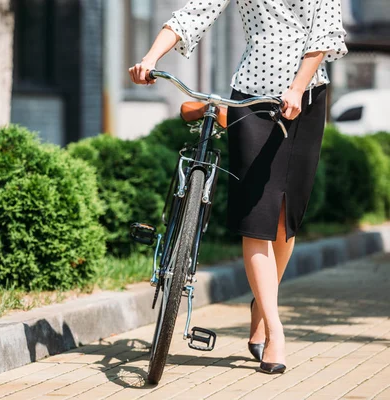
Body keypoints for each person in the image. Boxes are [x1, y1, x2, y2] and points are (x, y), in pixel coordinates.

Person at [129, 0, 347, 374]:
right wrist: (150, 58)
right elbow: (193, 14)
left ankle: (261, 307)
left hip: (306, 95)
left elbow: (324, 33)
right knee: (256, 214)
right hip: (251, 93)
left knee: (284, 219)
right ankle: (275, 331)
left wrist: (297, 88)